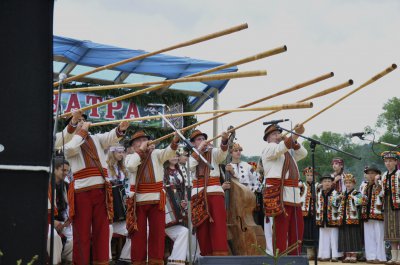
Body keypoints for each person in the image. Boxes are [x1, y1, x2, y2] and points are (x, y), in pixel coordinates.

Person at [62, 114, 128, 265]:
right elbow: (70, 150)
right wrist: (82, 132)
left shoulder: (96, 138)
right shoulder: (69, 140)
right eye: (78, 121)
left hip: (101, 191)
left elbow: (109, 137)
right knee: (82, 234)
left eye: (83, 120)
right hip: (81, 192)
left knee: (102, 232)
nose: (82, 123)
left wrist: (119, 129)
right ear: (70, 126)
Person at [125, 130, 180, 265]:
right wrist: (141, 151)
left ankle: (156, 262)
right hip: (138, 201)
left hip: (156, 200)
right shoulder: (130, 157)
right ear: (133, 146)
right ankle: (138, 262)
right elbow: (131, 166)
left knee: (157, 234)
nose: (143, 142)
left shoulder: (156, 154)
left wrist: (175, 141)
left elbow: (168, 152)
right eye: (138, 141)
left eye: (144, 139)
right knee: (138, 236)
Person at [261, 124, 307, 255]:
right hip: (278, 194)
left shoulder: (286, 152)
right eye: (274, 134)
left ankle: (295, 257)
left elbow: (303, 153)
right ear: (268, 138)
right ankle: (277, 258)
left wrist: (293, 138)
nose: (278, 136)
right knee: (279, 230)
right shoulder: (269, 148)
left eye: (279, 133)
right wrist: (294, 135)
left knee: (297, 229)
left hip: (293, 195)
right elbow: (279, 149)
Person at [189, 129, 229, 256]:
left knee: (219, 226)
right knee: (202, 227)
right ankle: (206, 257)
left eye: (203, 138)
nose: (202, 141)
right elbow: (189, 166)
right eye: (198, 139)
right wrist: (199, 150)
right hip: (198, 194)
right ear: (193, 143)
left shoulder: (213, 151)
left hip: (214, 192)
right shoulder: (192, 155)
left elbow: (222, 155)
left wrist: (224, 140)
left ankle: (220, 258)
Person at [106, 144, 130, 261]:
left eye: (122, 152)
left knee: (133, 230)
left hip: (122, 211)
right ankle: (106, 259)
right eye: (119, 152)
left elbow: (126, 189)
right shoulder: (106, 168)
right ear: (112, 153)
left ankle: (124, 258)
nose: (121, 154)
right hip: (110, 212)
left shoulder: (123, 169)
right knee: (107, 230)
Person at [164, 155, 189, 265]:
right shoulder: (163, 171)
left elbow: (183, 189)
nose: (174, 157)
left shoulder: (180, 170)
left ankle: (178, 261)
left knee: (185, 229)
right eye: (172, 155)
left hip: (179, 205)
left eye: (176, 155)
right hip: (166, 206)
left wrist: (184, 202)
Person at [47, 158, 73, 265]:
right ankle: (56, 262)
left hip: (62, 221)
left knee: (75, 238)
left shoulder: (66, 186)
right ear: (55, 169)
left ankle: (67, 260)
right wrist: (52, 221)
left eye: (67, 170)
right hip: (48, 220)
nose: (66, 173)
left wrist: (68, 220)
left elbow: (68, 206)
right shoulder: (46, 184)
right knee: (54, 237)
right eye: (63, 170)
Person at [361, 165, 386, 263]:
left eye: (373, 173)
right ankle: (371, 256)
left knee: (379, 236)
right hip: (366, 214)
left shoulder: (380, 184)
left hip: (377, 213)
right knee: (369, 236)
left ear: (377, 175)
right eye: (369, 173)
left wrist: (377, 182)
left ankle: (380, 257)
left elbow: (382, 194)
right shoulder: (364, 186)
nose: (370, 175)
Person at [335, 173, 363, 263]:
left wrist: (353, 198)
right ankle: (347, 255)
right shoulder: (342, 193)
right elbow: (333, 203)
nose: (348, 184)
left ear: (354, 183)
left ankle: (354, 255)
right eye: (346, 183)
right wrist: (338, 198)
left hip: (353, 218)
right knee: (344, 237)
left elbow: (361, 201)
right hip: (343, 218)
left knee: (353, 236)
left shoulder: (357, 193)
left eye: (350, 182)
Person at [379, 151, 400, 264]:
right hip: (387, 205)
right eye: (386, 161)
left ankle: (399, 257)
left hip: (398, 205)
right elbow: (382, 192)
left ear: (396, 162)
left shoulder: (399, 174)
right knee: (391, 232)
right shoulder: (383, 176)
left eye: (391, 161)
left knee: (399, 230)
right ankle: (393, 257)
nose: (388, 163)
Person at [316, 174, 341, 262]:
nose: (327, 183)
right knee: (323, 237)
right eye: (325, 181)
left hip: (333, 218)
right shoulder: (319, 193)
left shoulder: (336, 193)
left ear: (332, 183)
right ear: (322, 183)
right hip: (322, 218)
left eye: (329, 181)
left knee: (334, 237)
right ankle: (324, 255)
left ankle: (335, 255)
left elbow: (338, 205)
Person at [300, 166, 319, 259]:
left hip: (315, 213)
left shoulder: (317, 185)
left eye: (311, 175)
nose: (310, 177)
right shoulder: (302, 185)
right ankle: (309, 252)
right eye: (308, 175)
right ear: (305, 176)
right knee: (307, 232)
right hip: (305, 213)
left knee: (315, 231)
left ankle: (316, 252)